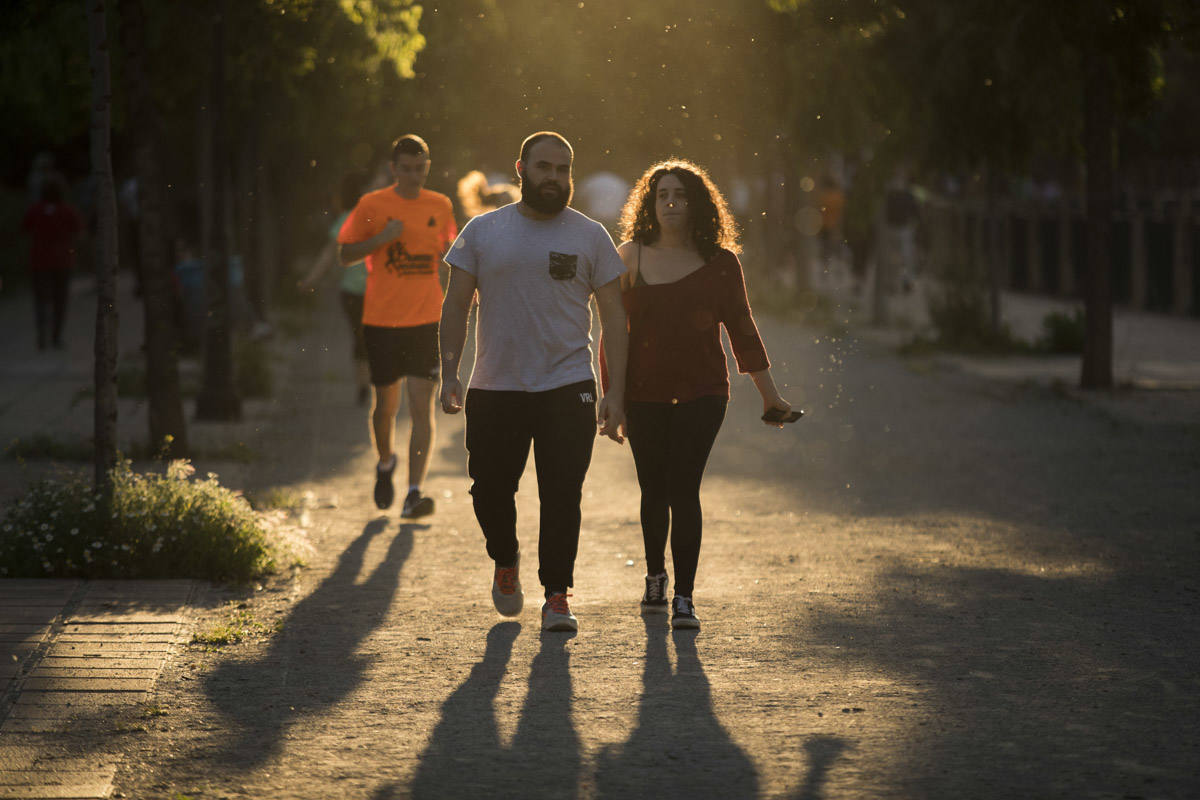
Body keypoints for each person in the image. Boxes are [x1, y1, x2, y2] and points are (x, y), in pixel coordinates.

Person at [439, 131, 629, 633]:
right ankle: (505, 558)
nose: (554, 178)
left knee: (562, 493)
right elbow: (456, 305)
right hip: (495, 384)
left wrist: (616, 391)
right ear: (521, 169)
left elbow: (614, 318)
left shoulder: (590, 236)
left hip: (568, 385)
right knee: (489, 489)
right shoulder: (482, 232)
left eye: (563, 169)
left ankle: (557, 594)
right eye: (544, 167)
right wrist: (449, 372)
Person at [605, 159, 793, 631]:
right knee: (653, 488)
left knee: (684, 489)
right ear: (650, 204)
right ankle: (654, 576)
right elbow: (614, 334)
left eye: (681, 195)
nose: (671, 203)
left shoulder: (720, 262)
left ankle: (684, 597)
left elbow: (743, 331)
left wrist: (770, 397)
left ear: (697, 205)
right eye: (662, 195)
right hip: (644, 393)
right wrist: (614, 396)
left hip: (703, 392)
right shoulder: (630, 256)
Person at [338, 135, 457, 518]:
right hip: (382, 321)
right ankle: (386, 461)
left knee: (421, 407)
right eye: (405, 169)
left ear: (428, 166)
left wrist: (468, 289)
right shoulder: (373, 205)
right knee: (385, 407)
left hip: (426, 321)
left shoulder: (439, 204)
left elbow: (451, 252)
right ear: (393, 169)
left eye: (420, 168)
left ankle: (414, 491)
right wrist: (381, 239)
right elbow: (344, 255)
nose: (413, 176)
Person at [299, 171, 371, 405]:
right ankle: (372, 382)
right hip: (376, 292)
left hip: (352, 292)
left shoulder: (345, 220)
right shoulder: (375, 218)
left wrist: (311, 280)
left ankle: (363, 384)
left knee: (359, 339)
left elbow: (328, 254)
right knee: (373, 338)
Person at [20, 173, 82, 350]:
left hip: (39, 261)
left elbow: (24, 229)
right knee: (60, 300)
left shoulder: (35, 210)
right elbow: (78, 231)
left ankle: (42, 335)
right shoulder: (67, 211)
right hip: (62, 261)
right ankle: (56, 336)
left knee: (41, 300)